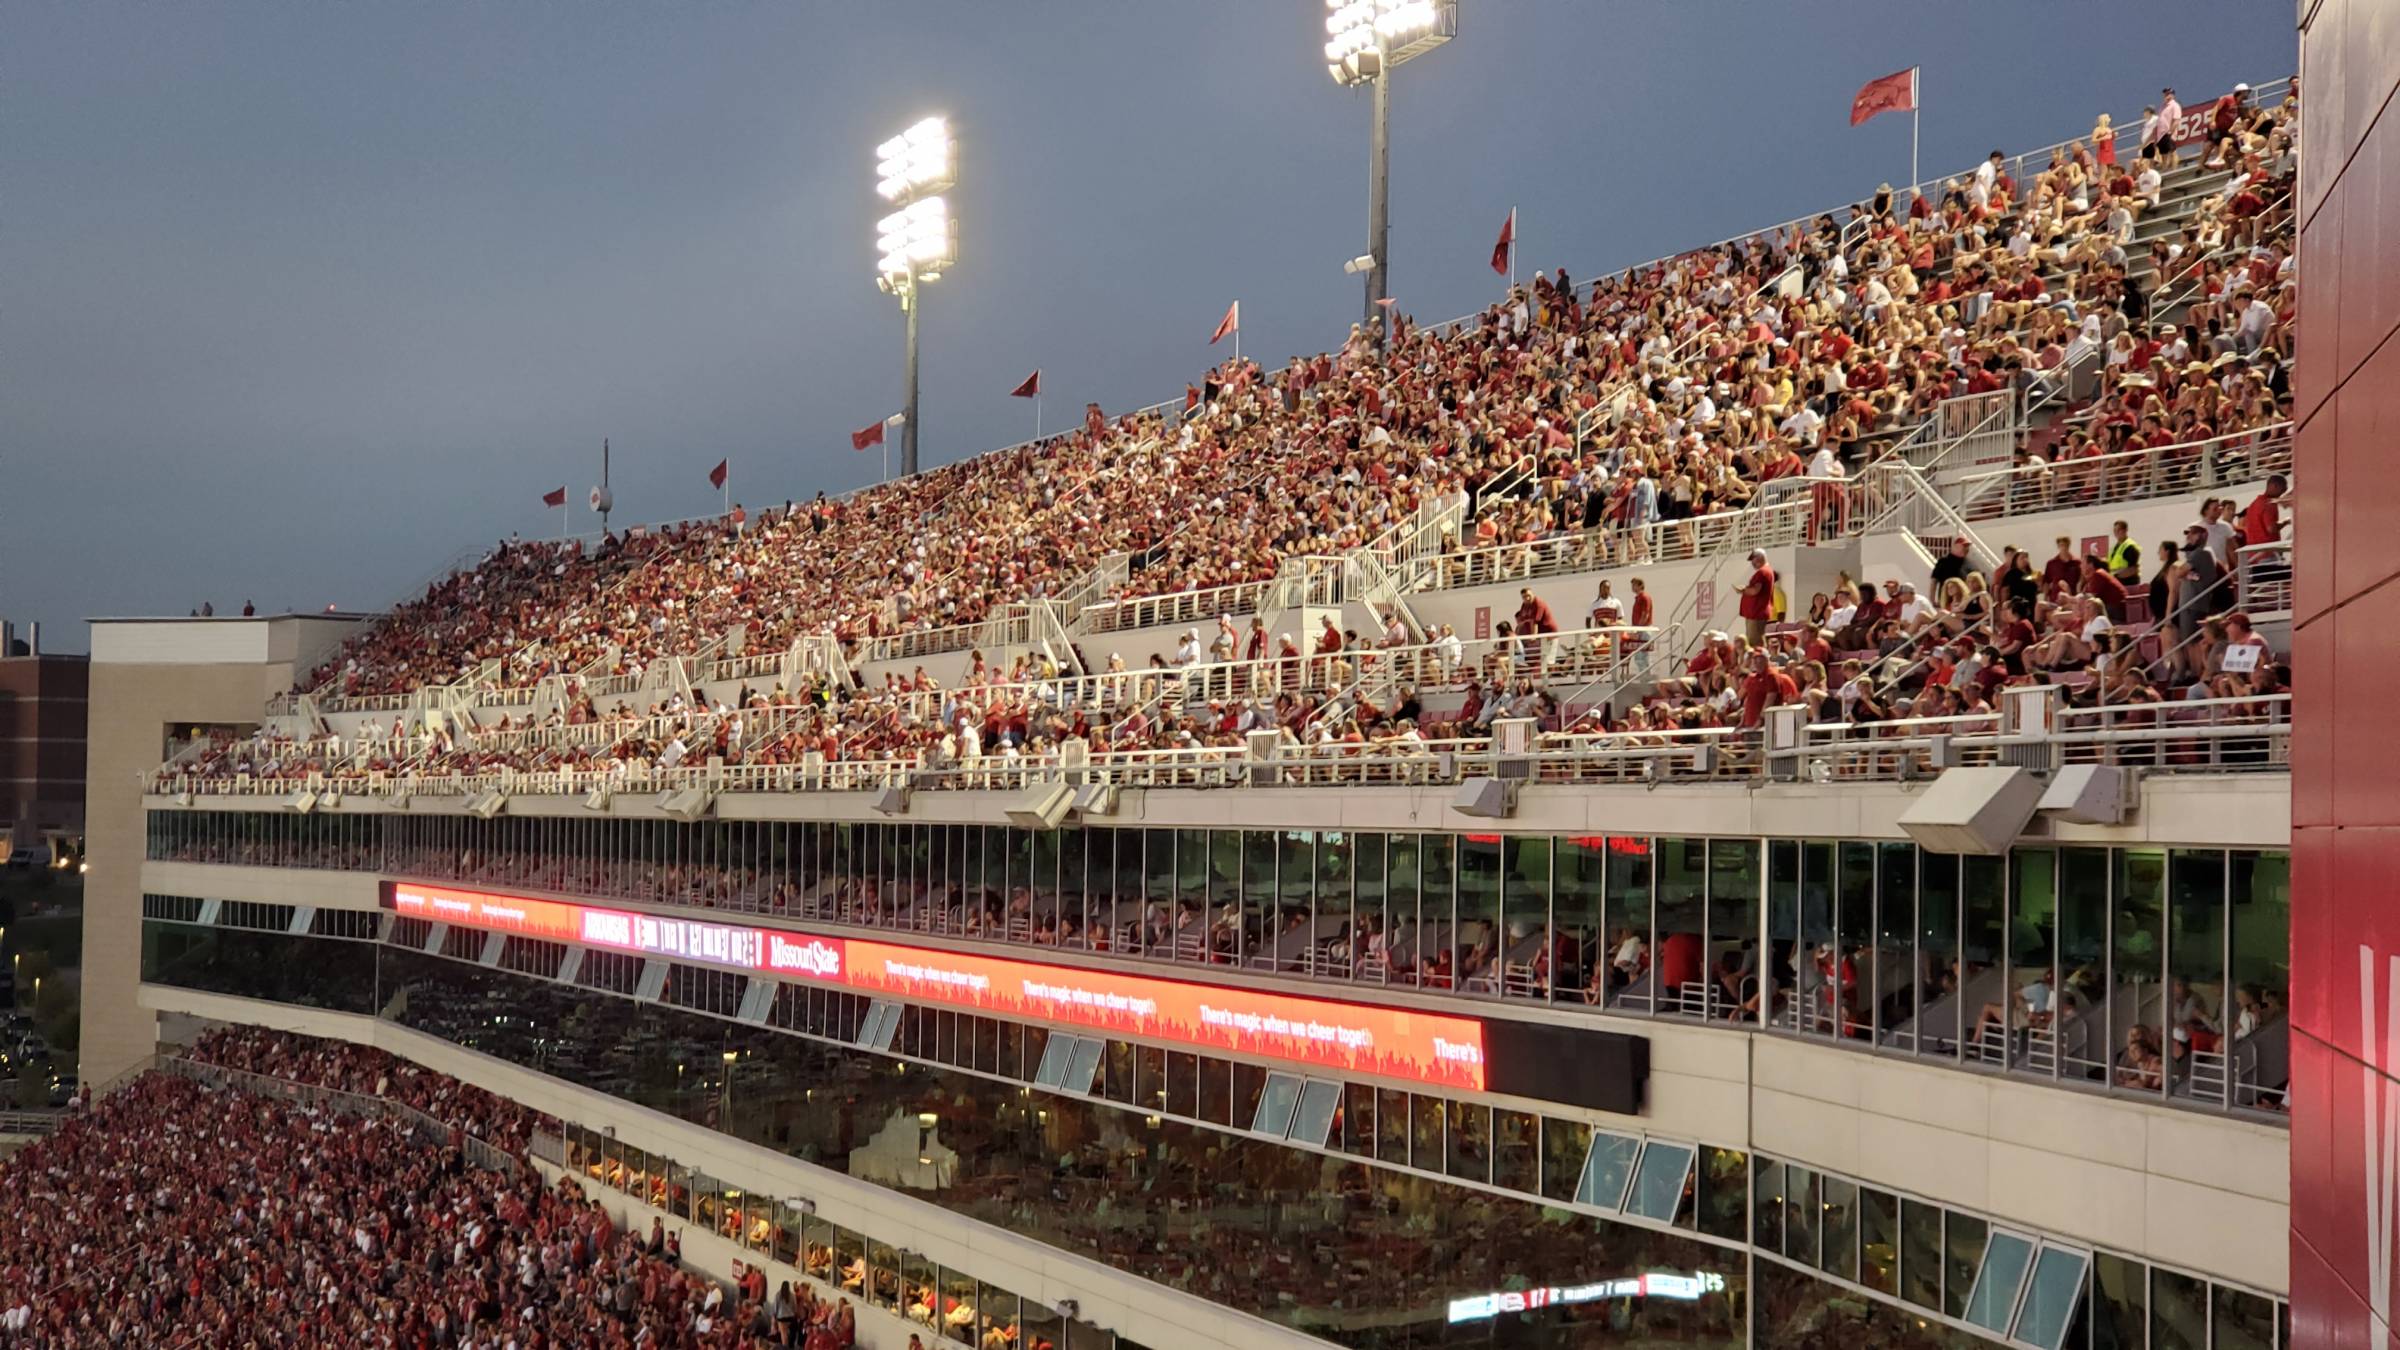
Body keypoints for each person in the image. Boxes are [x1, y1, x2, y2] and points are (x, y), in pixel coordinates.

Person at [1739, 548, 1777, 647]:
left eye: (1753, 559)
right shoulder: (1767, 571)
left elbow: (1755, 590)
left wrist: (1743, 590)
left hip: (1756, 612)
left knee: (1754, 642)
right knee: (1754, 640)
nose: (1752, 563)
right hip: (1756, 612)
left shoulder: (1762, 572)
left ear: (1760, 558)